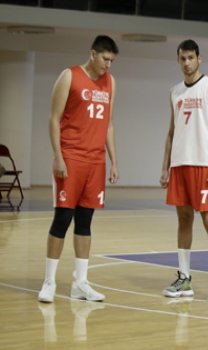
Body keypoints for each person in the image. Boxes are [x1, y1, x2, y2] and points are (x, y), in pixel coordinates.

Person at [38, 35, 120, 303]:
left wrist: (114, 160)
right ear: (93, 54)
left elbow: (108, 124)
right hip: (71, 158)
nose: (108, 65)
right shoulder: (69, 76)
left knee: (85, 222)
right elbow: (53, 118)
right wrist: (57, 156)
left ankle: (80, 283)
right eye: (105, 59)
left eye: (112, 61)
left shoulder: (111, 82)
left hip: (96, 162)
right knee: (62, 219)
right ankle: (49, 281)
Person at [160, 39, 208, 302]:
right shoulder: (175, 91)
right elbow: (170, 132)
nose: (186, 63)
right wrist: (165, 166)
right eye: (182, 58)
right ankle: (184, 278)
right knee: (183, 221)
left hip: (204, 164)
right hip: (179, 164)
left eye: (191, 57)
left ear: (199, 58)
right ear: (178, 60)